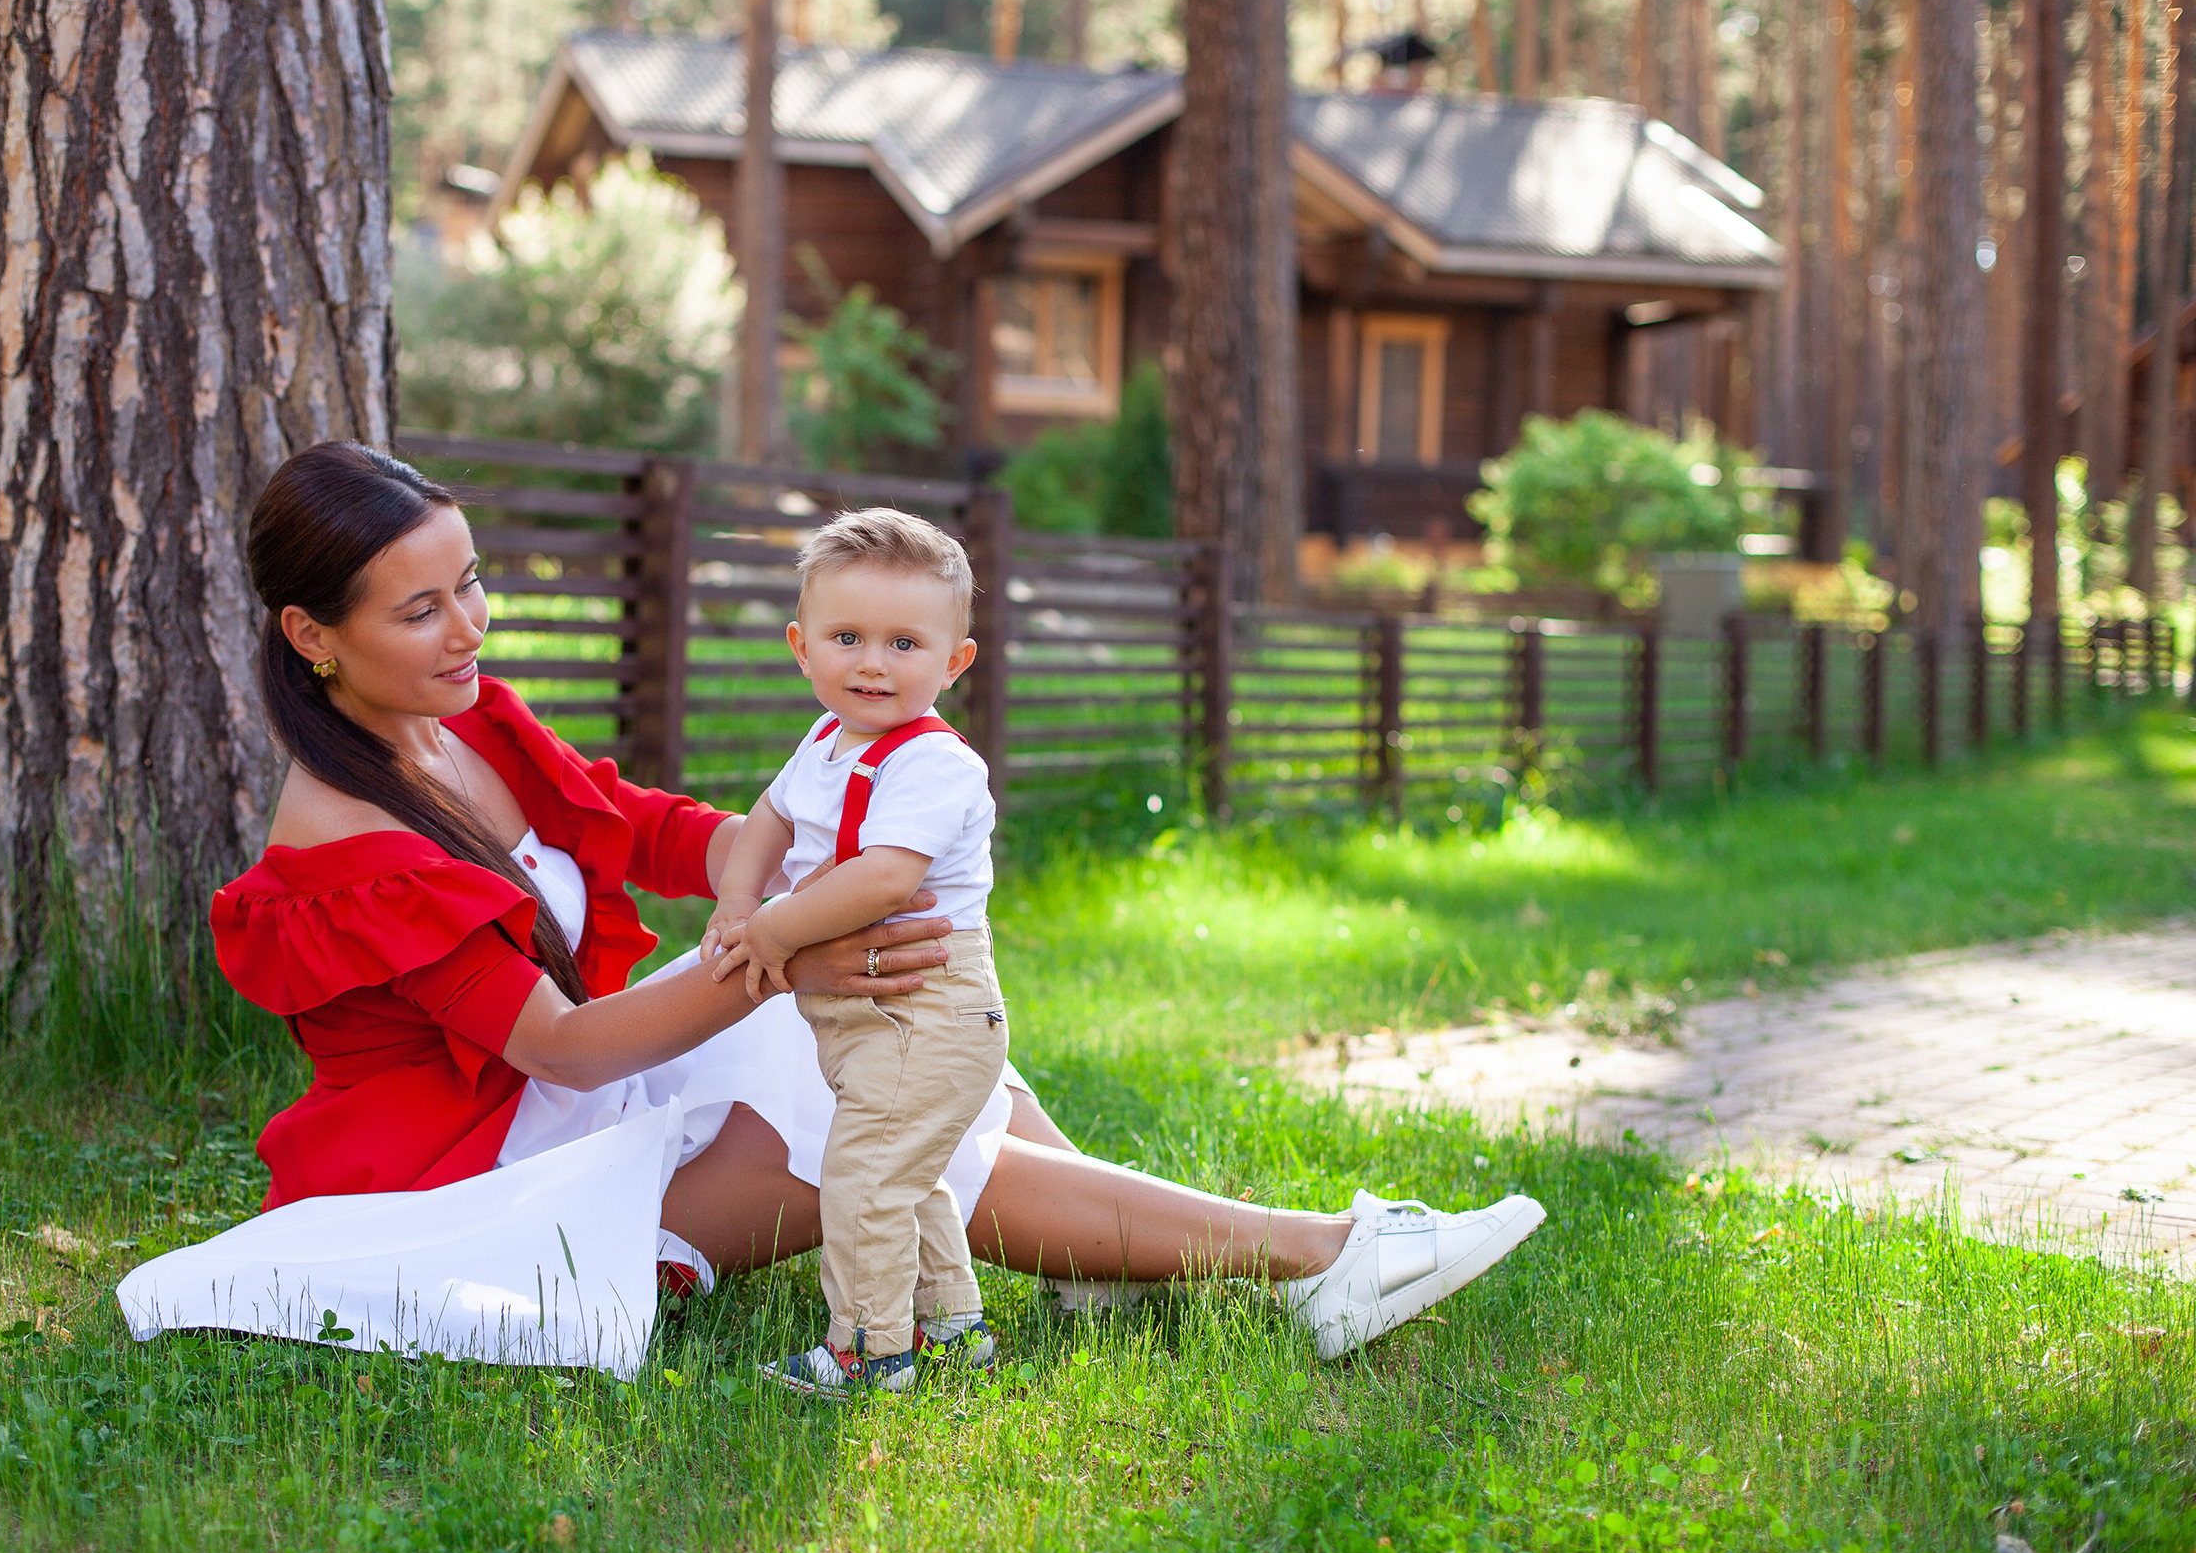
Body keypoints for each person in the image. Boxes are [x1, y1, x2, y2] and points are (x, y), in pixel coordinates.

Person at [114, 441, 1545, 1378]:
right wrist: (795, 952)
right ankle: (1325, 1253)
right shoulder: (344, 848)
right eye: (418, 610)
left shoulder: (467, 724)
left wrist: (782, 858)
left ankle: (1169, 1260)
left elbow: (644, 826)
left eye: (469, 583)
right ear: (314, 635)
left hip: (592, 1095)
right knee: (864, 1098)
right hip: (500, 1176)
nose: (469, 627)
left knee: (897, 1041)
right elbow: (567, 1046)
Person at [703, 509, 1009, 1396]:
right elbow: (769, 816)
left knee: (865, 1179)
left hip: (927, 1007)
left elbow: (881, 880)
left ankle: (868, 1350)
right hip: (872, 1015)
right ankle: (951, 1326)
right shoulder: (827, 740)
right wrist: (736, 900)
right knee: (901, 1174)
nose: (872, 662)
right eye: (848, 637)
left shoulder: (935, 765)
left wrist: (775, 928)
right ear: (803, 647)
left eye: (904, 642)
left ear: (954, 660)